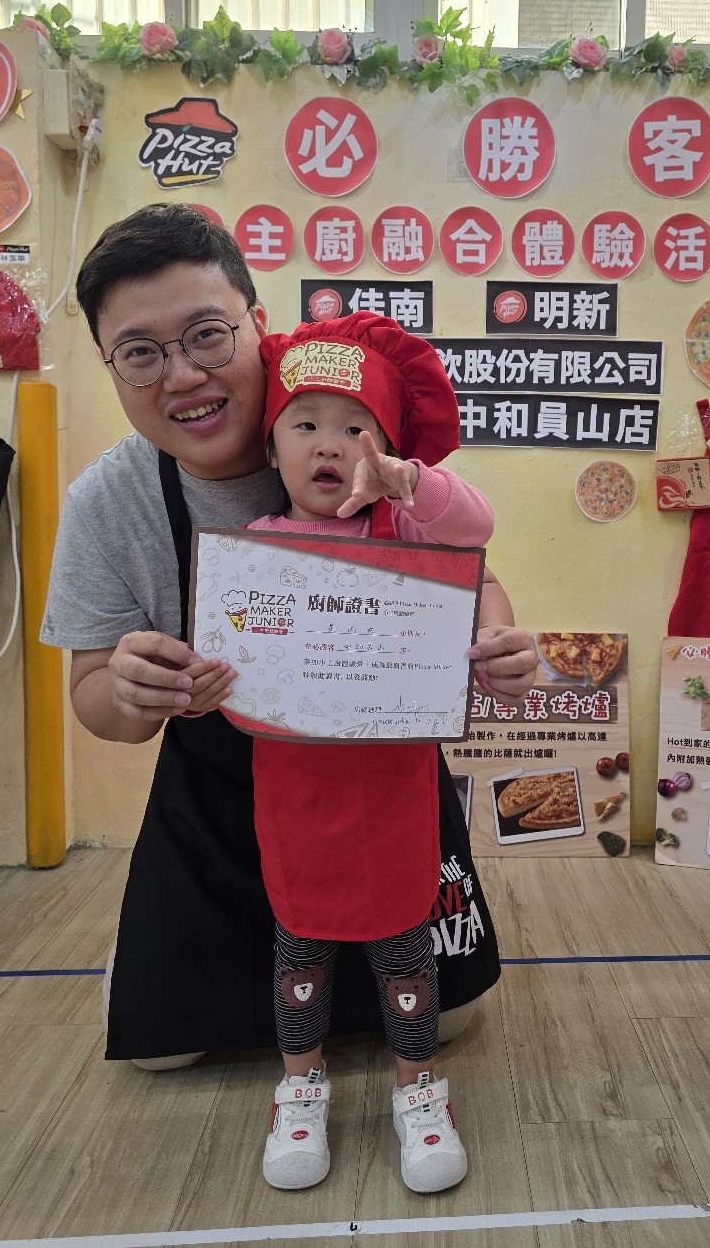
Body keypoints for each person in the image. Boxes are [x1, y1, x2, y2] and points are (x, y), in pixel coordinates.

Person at [39, 203, 538, 1070]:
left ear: (258, 325)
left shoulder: (350, 438)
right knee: (162, 1053)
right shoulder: (106, 504)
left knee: (450, 1019)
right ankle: (155, 952)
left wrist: (496, 637)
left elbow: (470, 575)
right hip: (220, 798)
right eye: (141, 352)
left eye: (207, 335)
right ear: (111, 366)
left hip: (379, 780)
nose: (182, 375)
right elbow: (92, 699)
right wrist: (127, 689)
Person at [231, 313, 489, 1192]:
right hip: (294, 792)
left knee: (403, 947)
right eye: (305, 423)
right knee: (298, 946)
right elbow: (233, 664)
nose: (330, 445)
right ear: (271, 447)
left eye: (356, 428)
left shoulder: (406, 532)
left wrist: (412, 484)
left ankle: (418, 1091)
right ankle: (300, 1090)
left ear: (386, 449)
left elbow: (475, 526)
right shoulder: (255, 548)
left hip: (394, 791)